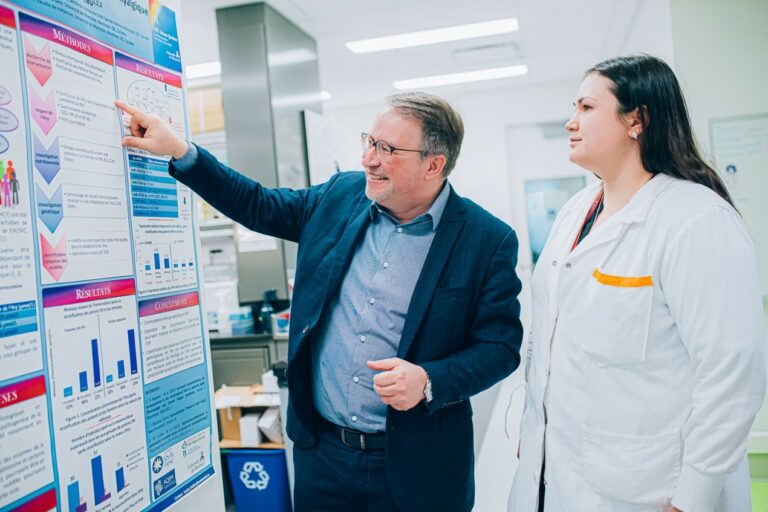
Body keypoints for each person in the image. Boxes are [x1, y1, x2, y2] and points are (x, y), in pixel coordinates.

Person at [116, 92, 524, 511]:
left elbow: (500, 348)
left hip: (420, 464)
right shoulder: (340, 197)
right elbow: (257, 204)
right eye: (369, 142)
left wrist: (428, 379)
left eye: (387, 150)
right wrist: (182, 152)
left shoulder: (486, 240)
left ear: (433, 164)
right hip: (324, 455)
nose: (369, 159)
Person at [509, 54, 766, 512]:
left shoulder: (696, 220)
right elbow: (549, 345)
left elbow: (731, 373)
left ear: (637, 120)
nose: (571, 122)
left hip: (650, 488)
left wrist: (694, 495)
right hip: (557, 471)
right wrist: (537, 436)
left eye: (587, 108)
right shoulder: (576, 212)